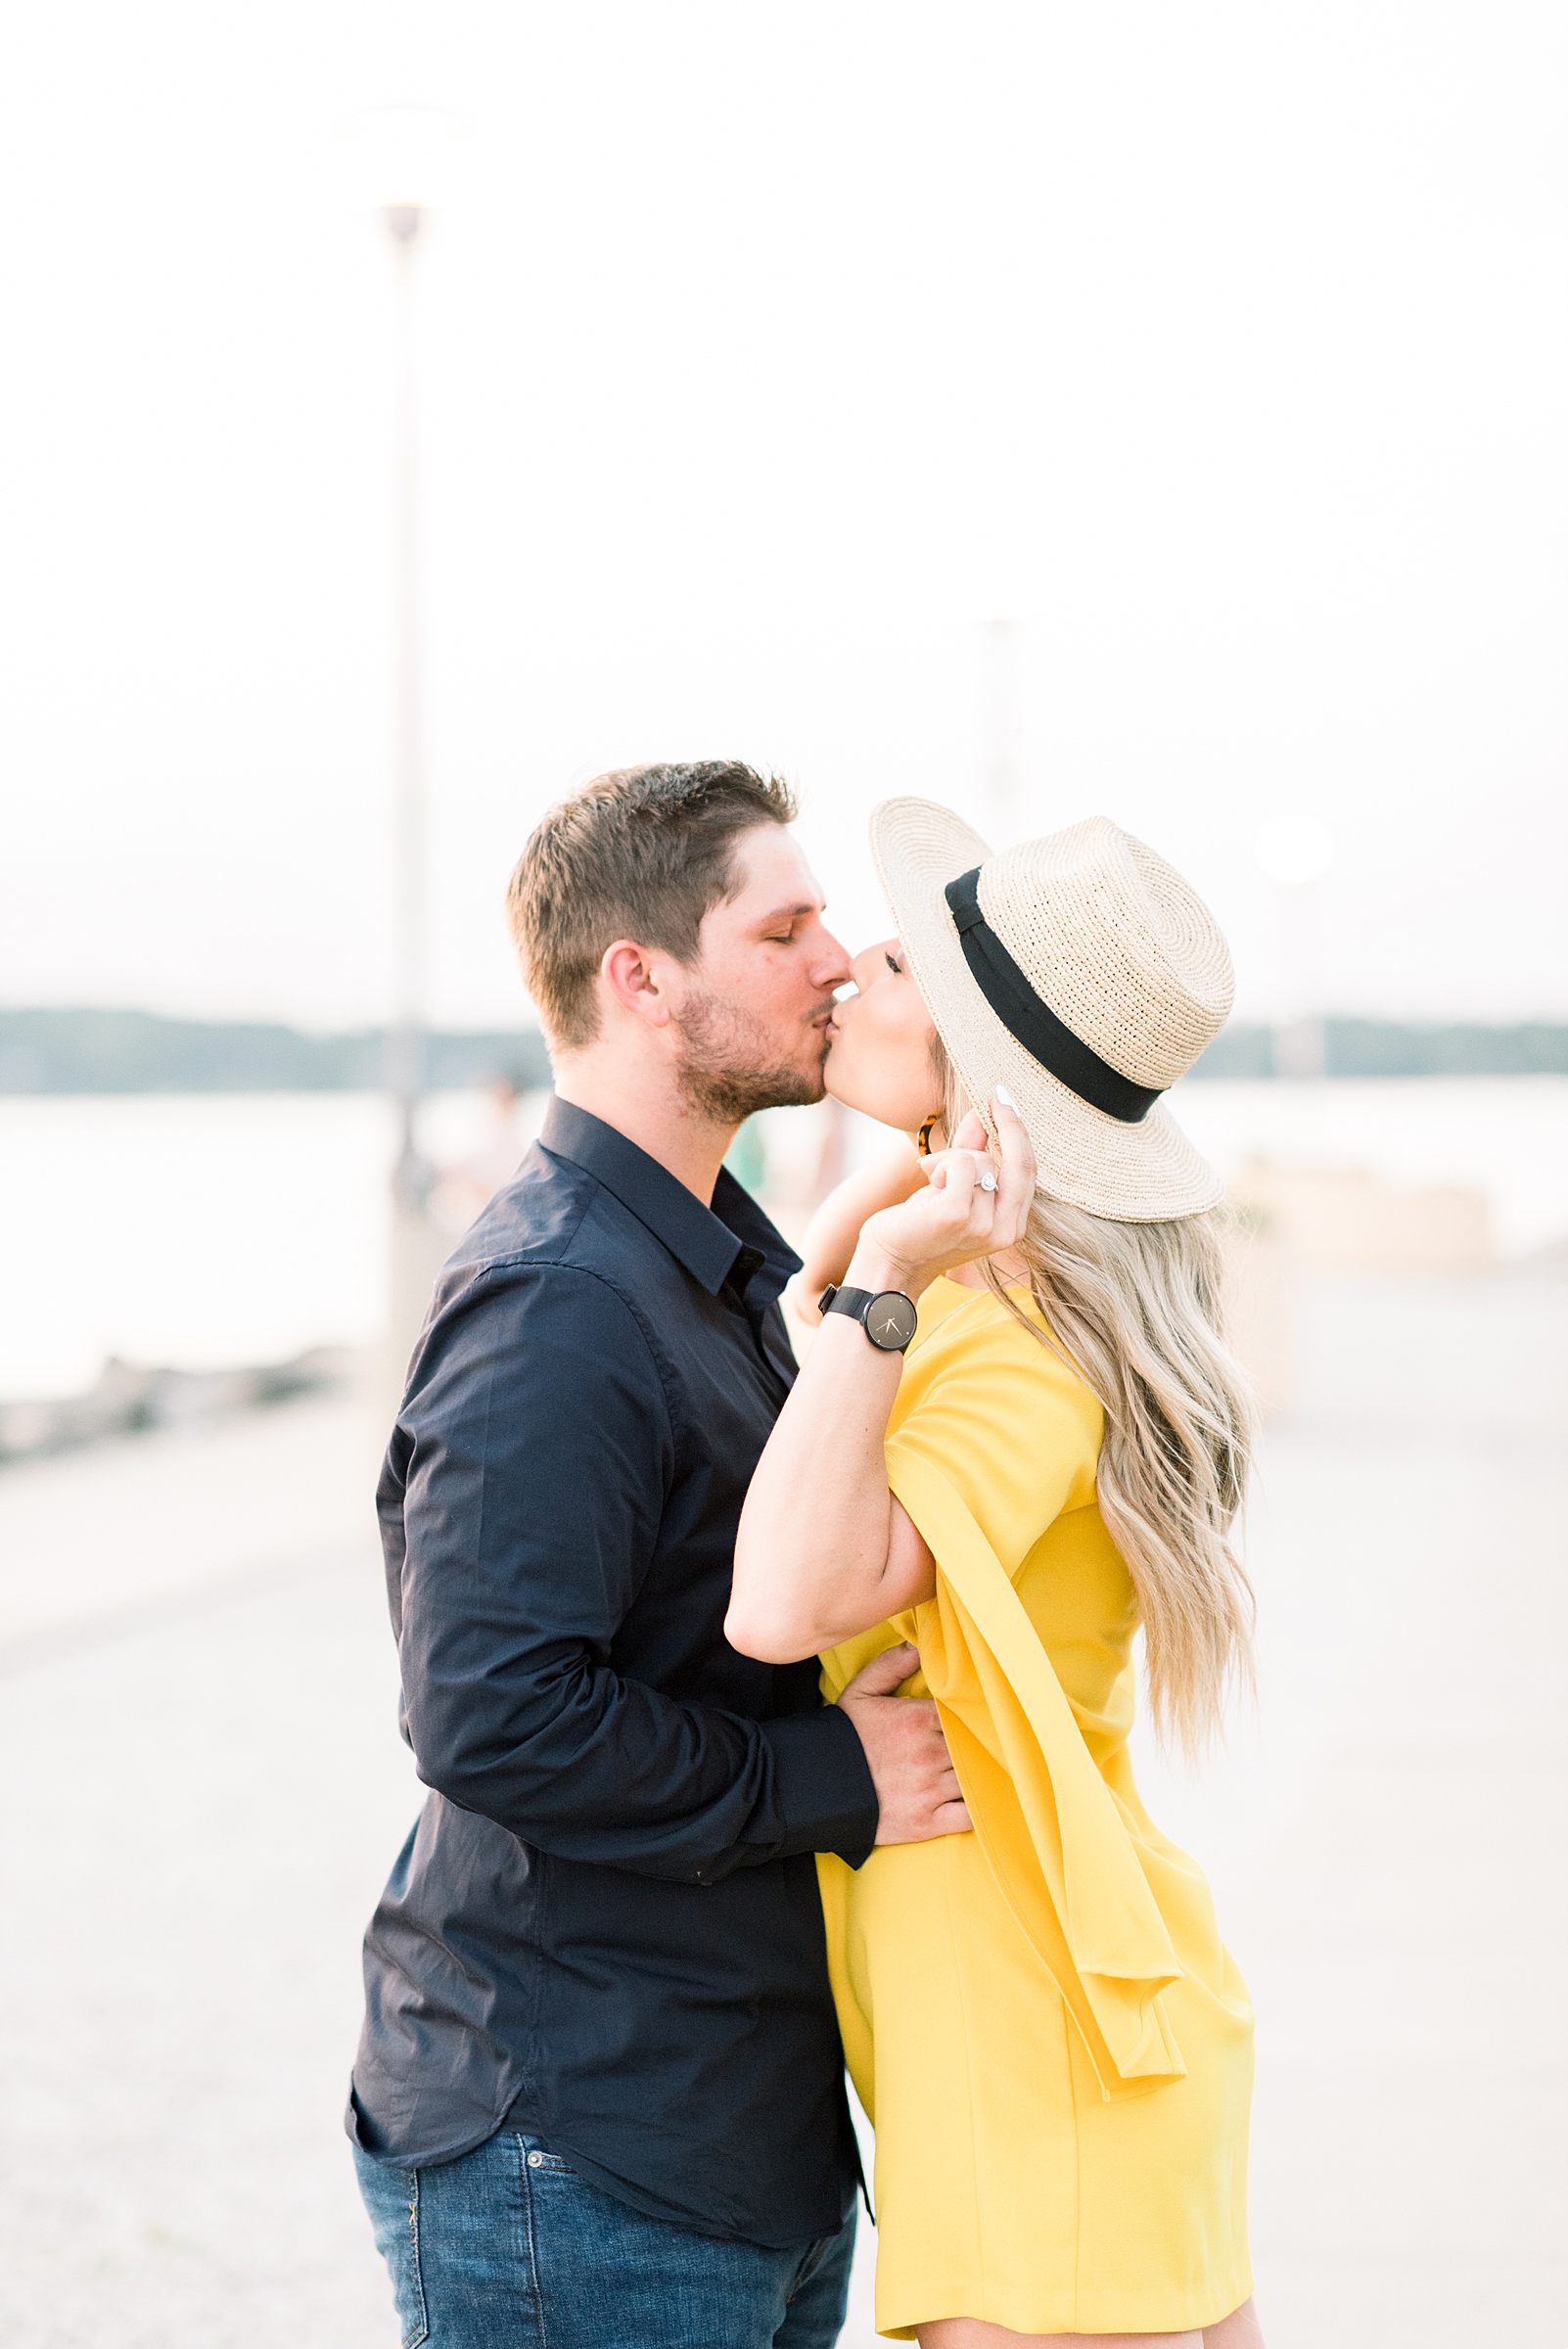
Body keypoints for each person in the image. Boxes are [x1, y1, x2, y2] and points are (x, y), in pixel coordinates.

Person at [347, 761, 975, 2349]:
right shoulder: (559, 1298)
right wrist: (837, 1778)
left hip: (737, 2129)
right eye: (784, 928)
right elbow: (491, 1713)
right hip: (577, 2147)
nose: (835, 959)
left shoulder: (714, 1269)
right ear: (641, 979)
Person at [727, 799, 1265, 2348]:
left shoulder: (1005, 1343)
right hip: (1065, 2002)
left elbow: (778, 1600)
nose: (847, 973)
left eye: (890, 961)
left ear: (970, 1064)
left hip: (1025, 2020)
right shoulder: (1002, 1313)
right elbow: (820, 1381)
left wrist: (883, 1275)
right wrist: (864, 1235)